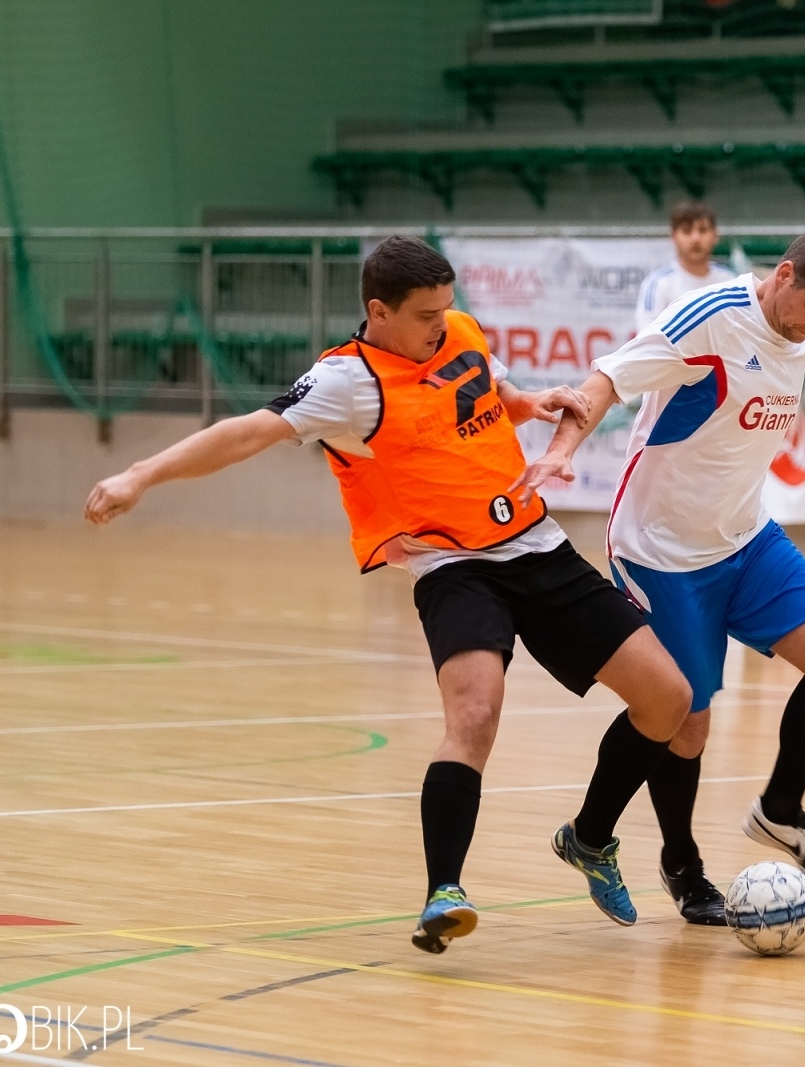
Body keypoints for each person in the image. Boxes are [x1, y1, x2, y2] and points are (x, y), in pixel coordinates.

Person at [85, 236, 691, 952]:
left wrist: (527, 400)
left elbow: (484, 387)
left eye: (448, 306)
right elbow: (246, 433)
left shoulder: (457, 329)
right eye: (427, 312)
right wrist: (139, 476)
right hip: (454, 566)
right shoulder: (347, 383)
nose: (444, 321)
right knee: (474, 714)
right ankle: (444, 892)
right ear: (380, 311)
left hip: (537, 546)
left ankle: (589, 838)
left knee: (667, 700)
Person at [513, 228, 805, 925]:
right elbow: (607, 378)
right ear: (783, 275)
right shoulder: (710, 318)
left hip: (746, 535)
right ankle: (674, 862)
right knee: (684, 719)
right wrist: (562, 451)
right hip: (660, 549)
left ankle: (781, 810)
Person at [636, 200, 738, 335]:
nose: (695, 238)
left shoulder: (731, 282)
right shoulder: (658, 284)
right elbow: (647, 339)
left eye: (702, 230)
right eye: (686, 231)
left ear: (715, 235)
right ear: (673, 237)